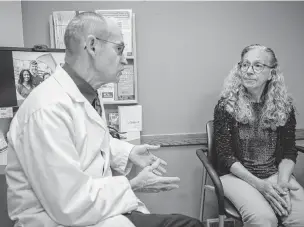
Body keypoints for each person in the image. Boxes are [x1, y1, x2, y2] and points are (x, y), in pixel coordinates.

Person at [5, 12, 203, 227]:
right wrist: (133, 184)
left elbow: (88, 142)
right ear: (92, 46)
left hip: (93, 214)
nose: (125, 59)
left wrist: (128, 152)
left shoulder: (85, 94)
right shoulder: (47, 110)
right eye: (119, 49)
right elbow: (69, 204)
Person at [212, 44, 304, 227]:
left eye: (257, 65)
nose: (249, 71)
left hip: (275, 175)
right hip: (237, 176)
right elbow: (225, 157)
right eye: (244, 65)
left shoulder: (284, 106)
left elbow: (289, 152)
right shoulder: (226, 106)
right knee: (264, 220)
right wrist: (260, 186)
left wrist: (282, 183)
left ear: (272, 73)